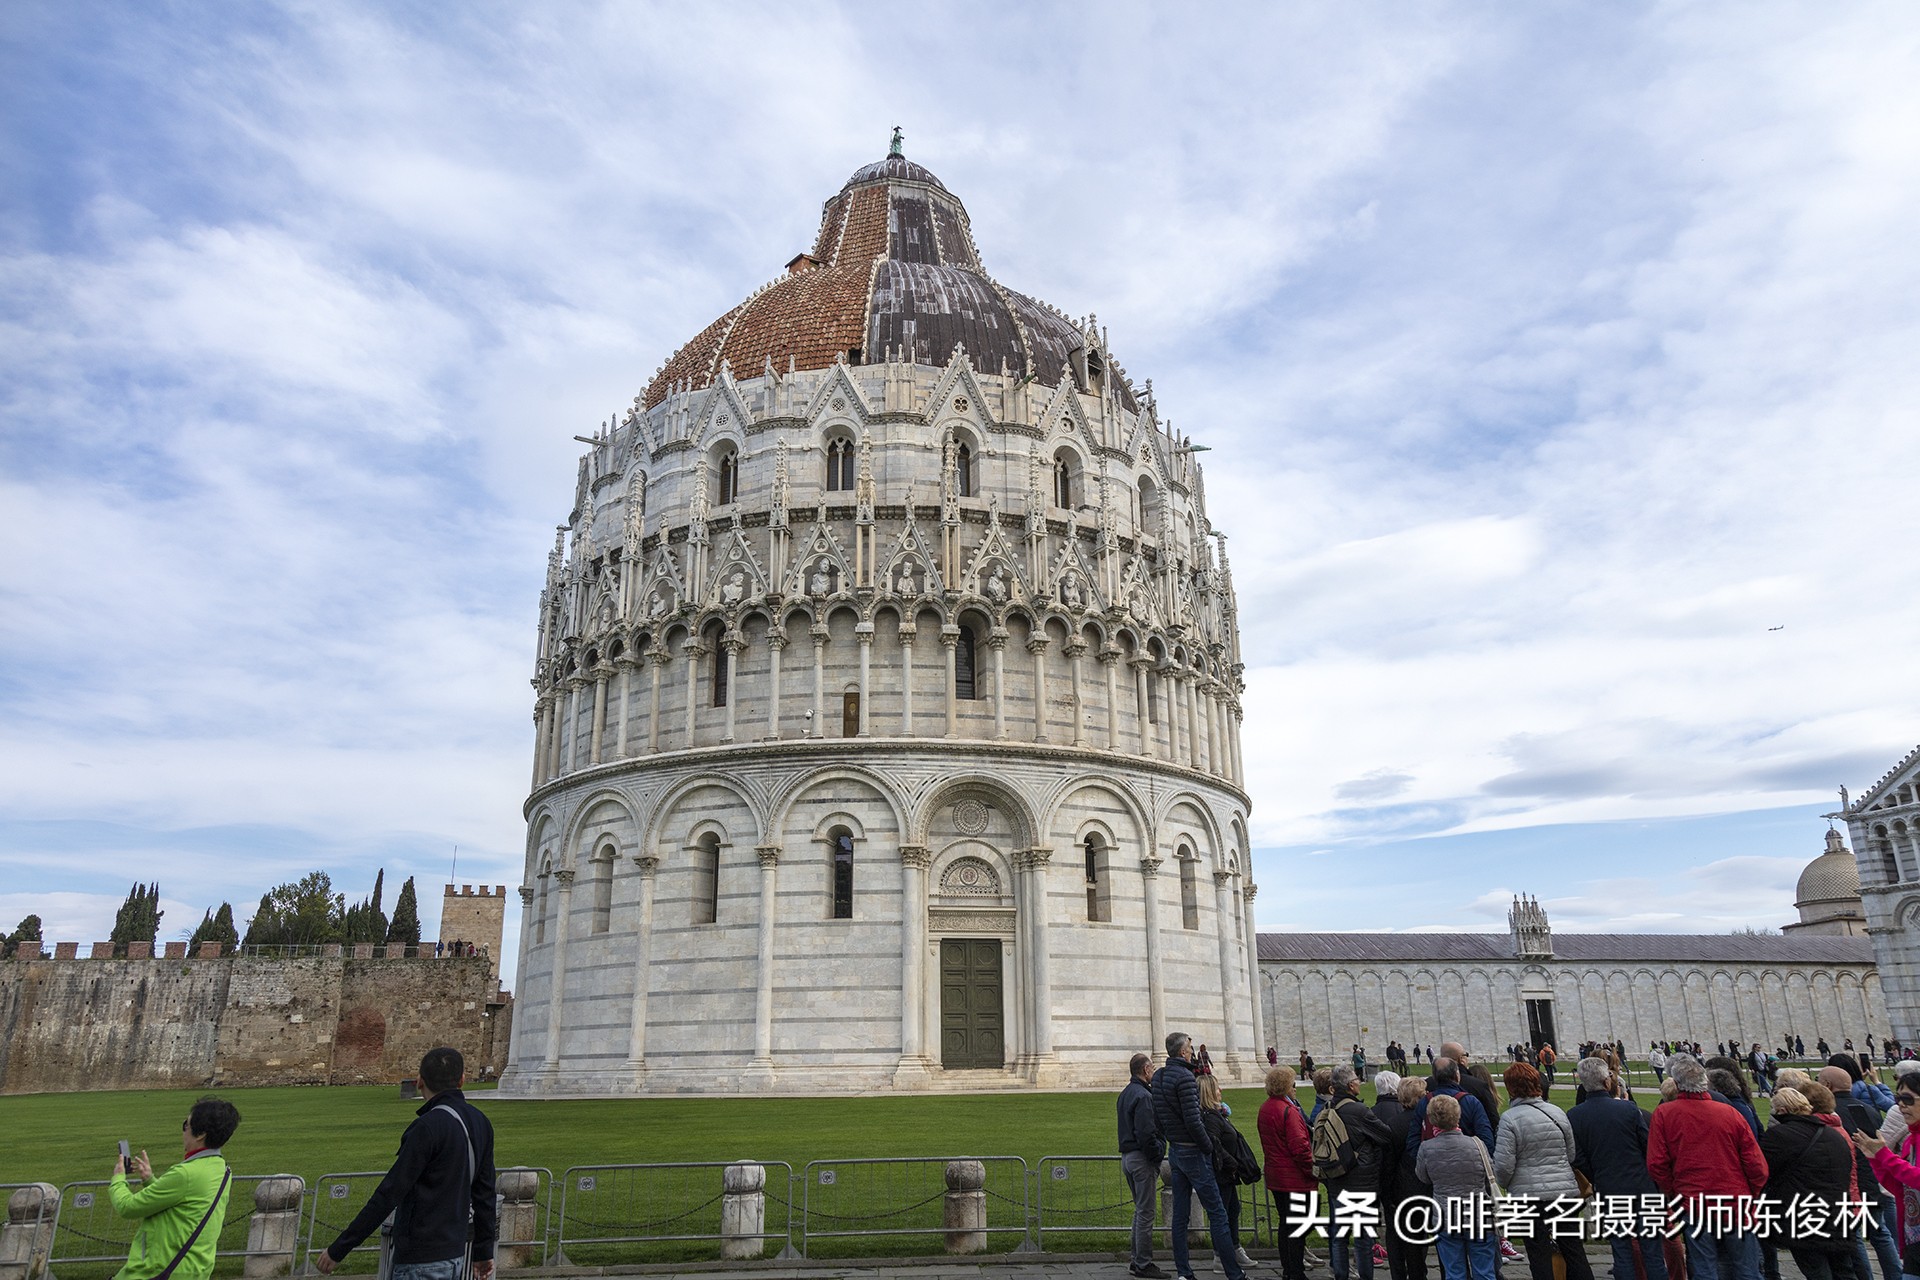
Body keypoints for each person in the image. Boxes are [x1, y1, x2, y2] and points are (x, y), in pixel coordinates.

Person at [318, 1047, 497, 1280]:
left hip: (419, 1259)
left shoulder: (427, 1127)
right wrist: (483, 1251)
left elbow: (389, 1193)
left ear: (419, 1081)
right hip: (455, 1255)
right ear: (462, 1080)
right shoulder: (481, 1122)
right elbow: (485, 1194)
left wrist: (339, 1249)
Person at [1647, 1055, 1768, 1280]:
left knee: (1704, 1269)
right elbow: (1756, 1164)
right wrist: (1752, 1192)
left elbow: (1657, 1163)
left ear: (1676, 1083)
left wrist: (1673, 1191)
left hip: (1693, 1202)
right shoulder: (1730, 1112)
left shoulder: (1665, 1114)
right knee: (1746, 1270)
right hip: (1735, 1201)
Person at [109, 1096, 241, 1280]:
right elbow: (184, 1206)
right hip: (194, 1270)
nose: (184, 1131)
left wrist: (118, 1178)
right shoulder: (221, 1169)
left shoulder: (185, 1174)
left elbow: (127, 1207)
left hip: (156, 1271)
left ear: (201, 1134)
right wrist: (150, 1180)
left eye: (185, 1125)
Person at [1151, 1031, 1247, 1280]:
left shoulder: (1159, 1076)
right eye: (1190, 1048)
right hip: (1194, 1152)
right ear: (1183, 1051)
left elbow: (1158, 1117)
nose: (1193, 1052)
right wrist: (1208, 1147)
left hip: (1175, 1153)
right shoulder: (1185, 1077)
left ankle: (1184, 1272)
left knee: (1180, 1217)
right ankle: (1234, 1274)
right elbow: (1194, 1122)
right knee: (1218, 1213)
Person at [1569, 1056, 1667, 1280]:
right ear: (1607, 1082)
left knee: (1622, 1253)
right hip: (1642, 1187)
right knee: (1652, 1253)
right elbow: (1648, 1146)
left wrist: (1598, 1175)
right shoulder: (1629, 1110)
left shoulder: (1575, 1115)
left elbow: (1578, 1157)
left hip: (1609, 1187)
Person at [1492, 1062, 1591, 1280]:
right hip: (1563, 1191)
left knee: (1538, 1252)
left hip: (1527, 1196)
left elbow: (1503, 1166)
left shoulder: (1510, 1118)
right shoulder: (1556, 1111)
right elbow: (1571, 1153)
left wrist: (1508, 1183)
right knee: (1573, 1249)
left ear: (1510, 1088)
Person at [1760, 1087, 1855, 1280]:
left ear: (1782, 1111)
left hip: (1803, 1216)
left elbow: (1761, 1171)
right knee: (1844, 1271)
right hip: (1838, 1214)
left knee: (1817, 1271)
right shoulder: (1834, 1135)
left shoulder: (1779, 1136)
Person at [1819, 1064, 1901, 1280]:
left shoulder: (1831, 1114)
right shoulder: (1869, 1109)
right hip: (1873, 1179)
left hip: (1849, 1183)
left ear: (1827, 1085)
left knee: (1855, 1238)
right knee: (1880, 1233)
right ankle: (1896, 1275)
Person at [1320, 1064, 1393, 1280]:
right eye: (1356, 1080)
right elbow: (1385, 1135)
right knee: (1362, 1237)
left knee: (1340, 1235)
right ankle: (1365, 1276)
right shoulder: (1359, 1111)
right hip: (1361, 1182)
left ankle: (1340, 1275)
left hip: (1336, 1179)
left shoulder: (1328, 1109)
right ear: (1351, 1085)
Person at [1414, 1094, 1496, 1280]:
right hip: (1477, 1213)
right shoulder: (1477, 1144)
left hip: (1446, 1213)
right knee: (1484, 1272)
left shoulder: (1427, 1148)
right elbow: (1489, 1172)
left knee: (1454, 1272)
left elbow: (1423, 1177)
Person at [1260, 1065, 1316, 1280]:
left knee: (1287, 1225)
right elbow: (1300, 1147)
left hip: (1276, 1176)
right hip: (1295, 1178)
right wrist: (1312, 1169)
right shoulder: (1288, 1111)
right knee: (1299, 1226)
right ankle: (1296, 1272)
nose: (1295, 1089)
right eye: (1293, 1084)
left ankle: (1289, 1271)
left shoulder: (1266, 1107)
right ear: (1285, 1086)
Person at [1199, 1074, 1260, 1272]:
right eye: (1217, 1088)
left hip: (1227, 1173)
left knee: (1233, 1210)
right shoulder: (1210, 1117)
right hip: (1222, 1173)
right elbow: (1214, 1143)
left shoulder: (1216, 1114)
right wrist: (1231, 1162)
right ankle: (1220, 1256)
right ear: (1209, 1092)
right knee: (1222, 1214)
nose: (1221, 1091)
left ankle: (1234, 1249)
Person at [1119, 1052, 1168, 1280]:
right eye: (1152, 1068)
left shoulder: (1125, 1093)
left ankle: (1135, 1260)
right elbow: (1147, 1132)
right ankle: (1143, 1263)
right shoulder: (1143, 1096)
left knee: (1140, 1211)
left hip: (1128, 1158)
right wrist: (1157, 1154)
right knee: (1146, 1213)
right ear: (1146, 1070)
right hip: (1141, 1159)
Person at [1379, 1075, 1431, 1280]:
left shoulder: (1394, 1124)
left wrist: (1386, 1193)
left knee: (1402, 1238)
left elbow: (1388, 1164)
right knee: (1420, 1237)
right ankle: (1419, 1274)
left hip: (1402, 1190)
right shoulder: (1428, 1122)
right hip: (1425, 1187)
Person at [1407, 1058, 1492, 1161]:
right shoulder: (1471, 1102)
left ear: (1434, 1076)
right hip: (1468, 1163)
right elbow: (1486, 1138)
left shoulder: (1424, 1102)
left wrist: (1425, 1163)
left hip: (1434, 1165)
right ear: (1457, 1075)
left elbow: (1413, 1139)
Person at [1441, 1042, 1501, 1141]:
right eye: (1465, 1055)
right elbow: (1493, 1120)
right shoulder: (1478, 1085)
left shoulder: (1428, 1085)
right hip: (1474, 1144)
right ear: (1461, 1058)